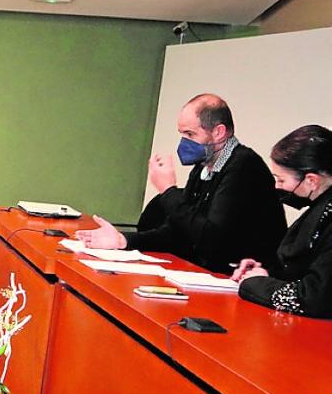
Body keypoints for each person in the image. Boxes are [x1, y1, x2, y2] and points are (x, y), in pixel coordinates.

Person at [76, 94, 286, 273]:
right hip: (207, 273)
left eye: (190, 134)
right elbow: (178, 231)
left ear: (218, 132)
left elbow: (211, 239)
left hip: (239, 276)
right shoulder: (204, 166)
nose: (184, 143)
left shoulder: (243, 167)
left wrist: (168, 190)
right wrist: (124, 241)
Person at [232, 124, 332, 318]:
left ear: (311, 180)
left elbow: (311, 297)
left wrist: (254, 283)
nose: (277, 186)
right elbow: (299, 267)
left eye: (281, 180)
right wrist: (266, 272)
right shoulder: (319, 209)